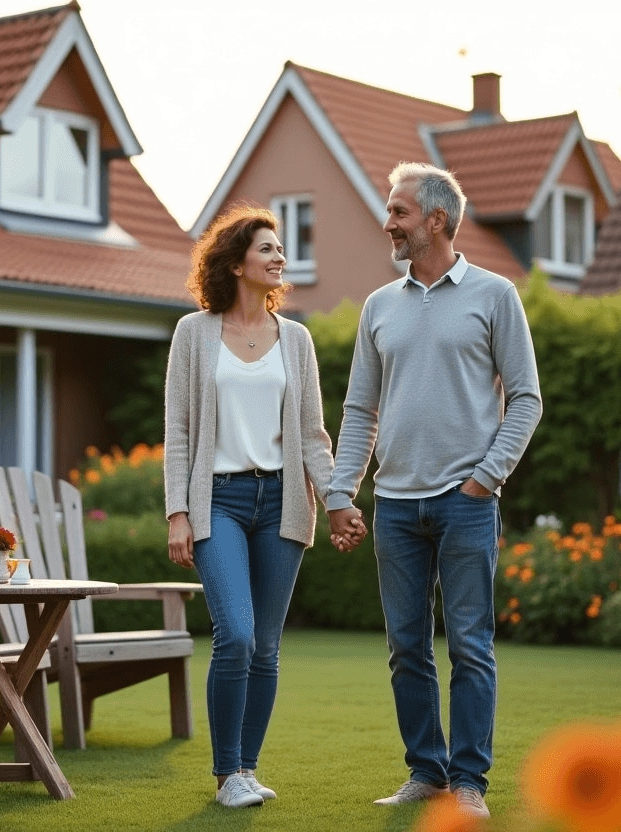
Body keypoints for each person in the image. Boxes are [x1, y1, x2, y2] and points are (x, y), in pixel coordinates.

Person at [327, 162, 542, 819]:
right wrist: (343, 493)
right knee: (406, 649)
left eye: (398, 211)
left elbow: (526, 400)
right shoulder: (378, 306)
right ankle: (427, 771)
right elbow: (360, 409)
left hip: (465, 503)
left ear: (436, 220)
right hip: (394, 505)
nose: (387, 222)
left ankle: (469, 781)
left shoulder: (495, 295)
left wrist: (486, 478)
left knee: (471, 646)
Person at [164, 205, 365, 809]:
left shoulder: (296, 340)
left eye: (281, 250)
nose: (281, 258)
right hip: (217, 501)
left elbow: (311, 436)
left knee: (268, 648)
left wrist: (336, 500)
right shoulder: (193, 334)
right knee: (238, 636)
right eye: (268, 250)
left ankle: (247, 769)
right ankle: (226, 775)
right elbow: (178, 430)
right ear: (234, 263)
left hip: (280, 503)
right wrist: (179, 511)